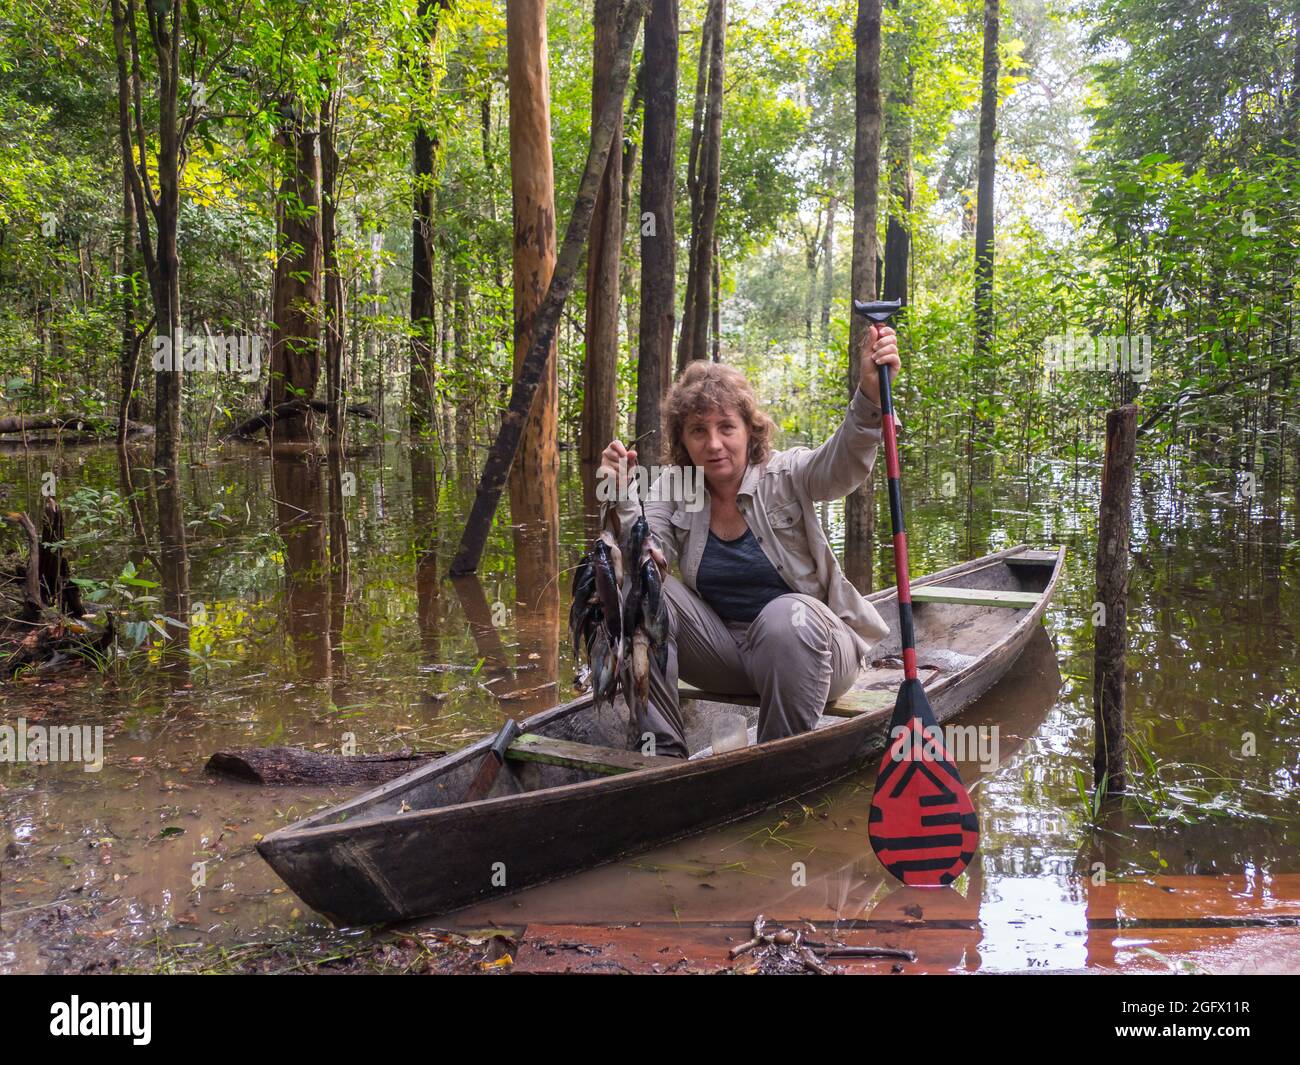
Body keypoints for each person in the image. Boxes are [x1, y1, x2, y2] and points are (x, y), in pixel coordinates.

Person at [598, 324, 901, 758]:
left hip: (815, 653)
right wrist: (622, 496)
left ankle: (775, 760)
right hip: (727, 656)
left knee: (786, 617)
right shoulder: (674, 486)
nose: (714, 444)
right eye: (698, 431)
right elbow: (644, 555)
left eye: (727, 427)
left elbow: (842, 463)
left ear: (749, 431)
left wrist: (869, 397)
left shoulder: (786, 473)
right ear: (683, 441)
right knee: (643, 585)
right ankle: (661, 755)